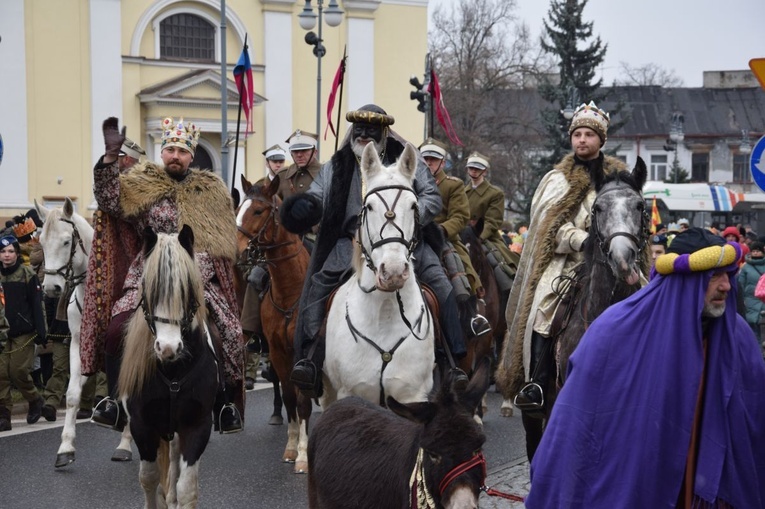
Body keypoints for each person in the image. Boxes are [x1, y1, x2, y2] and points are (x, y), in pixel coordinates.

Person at [525, 228, 765, 508]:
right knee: (543, 306)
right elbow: (577, 427)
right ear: (684, 282)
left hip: (709, 494)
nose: (726, 286)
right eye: (713, 276)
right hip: (580, 254)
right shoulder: (614, 332)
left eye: (729, 275)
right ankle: (535, 380)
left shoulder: (740, 339)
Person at [280, 104, 469, 398]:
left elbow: (430, 195)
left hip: (405, 242)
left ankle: (451, 361)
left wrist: (411, 219)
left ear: (383, 133)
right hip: (350, 243)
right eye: (360, 130)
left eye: (372, 130)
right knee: (317, 287)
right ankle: (310, 360)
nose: (365, 135)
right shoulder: (337, 165)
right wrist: (306, 207)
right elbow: (317, 195)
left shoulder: (408, 160)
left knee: (442, 285)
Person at [86, 118, 244, 433]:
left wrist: (195, 269)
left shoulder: (212, 190)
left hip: (195, 280)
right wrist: (108, 160)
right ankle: (116, 401)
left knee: (230, 333)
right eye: (170, 149)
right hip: (148, 276)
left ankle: (225, 403)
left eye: (181, 151)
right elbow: (109, 200)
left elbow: (221, 245)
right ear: (162, 152)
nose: (175, 155)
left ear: (191, 154)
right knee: (117, 329)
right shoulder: (140, 181)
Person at [500, 101, 628, 429]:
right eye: (577, 134)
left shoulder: (619, 178)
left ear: (601, 140)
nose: (582, 140)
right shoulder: (557, 180)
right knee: (543, 310)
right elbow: (547, 228)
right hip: (568, 262)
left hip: (614, 260)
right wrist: (579, 239)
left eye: (589, 134)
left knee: (643, 304)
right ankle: (537, 383)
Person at [418, 137, 490, 336]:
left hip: (444, 238)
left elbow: (460, 217)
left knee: (463, 273)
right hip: (413, 238)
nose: (429, 162)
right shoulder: (411, 182)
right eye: (425, 158)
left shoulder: (453, 186)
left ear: (442, 162)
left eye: (434, 159)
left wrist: (441, 230)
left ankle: (472, 318)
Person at [240, 144, 289, 390]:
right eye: (273, 161)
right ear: (267, 162)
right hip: (263, 246)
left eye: (281, 160)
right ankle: (253, 340)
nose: (277, 164)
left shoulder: (288, 182)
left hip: (292, 242)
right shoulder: (257, 186)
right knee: (253, 281)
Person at [0, 235, 47, 430]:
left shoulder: (28, 274)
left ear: (17, 254)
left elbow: (37, 305)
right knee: (1, 374)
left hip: (24, 332)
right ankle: (4, 415)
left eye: (11, 251)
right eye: (3, 251)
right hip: (2, 334)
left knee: (18, 371)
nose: (7, 255)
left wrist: (42, 332)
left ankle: (35, 399)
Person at [464, 152, 518, 294]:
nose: (473, 171)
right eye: (471, 168)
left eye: (477, 168)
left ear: (485, 171)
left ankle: (508, 295)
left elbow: (493, 221)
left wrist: (479, 237)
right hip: (462, 235)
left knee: (498, 265)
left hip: (486, 237)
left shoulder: (495, 193)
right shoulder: (462, 191)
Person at [737, 240, 765, 343]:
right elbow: (741, 284)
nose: (756, 253)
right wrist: (743, 299)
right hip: (750, 301)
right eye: (753, 251)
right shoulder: (746, 268)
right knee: (753, 329)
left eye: (758, 251)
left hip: (763, 300)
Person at [280, 130, 321, 199]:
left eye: (304, 150)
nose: (299, 155)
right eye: (295, 151)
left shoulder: (324, 175)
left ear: (315, 152)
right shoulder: (282, 175)